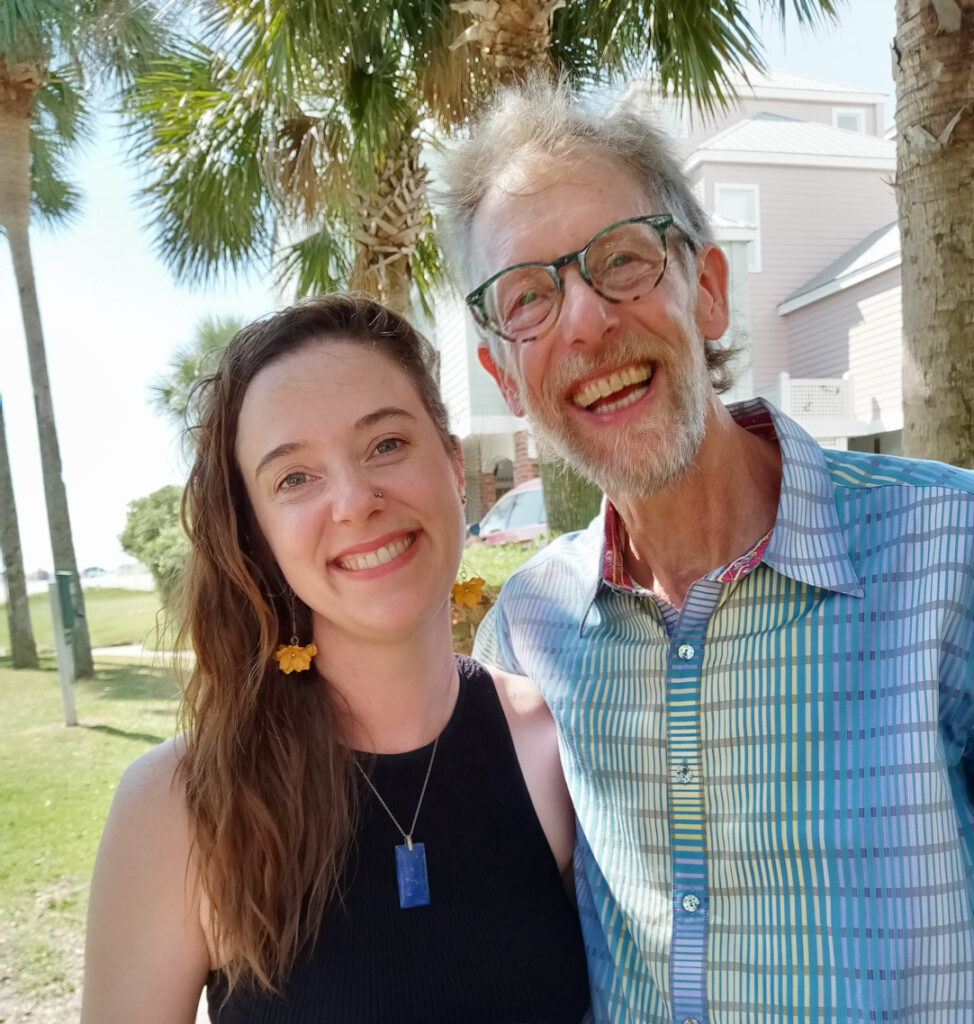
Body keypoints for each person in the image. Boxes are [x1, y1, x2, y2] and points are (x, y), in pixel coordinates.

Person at [437, 76, 974, 1023]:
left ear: (710, 290)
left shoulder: (949, 550)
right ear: (506, 379)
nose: (587, 322)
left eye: (623, 261)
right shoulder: (527, 634)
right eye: (527, 297)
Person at [81, 295, 592, 1023]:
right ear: (256, 535)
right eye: (294, 478)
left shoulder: (558, 745)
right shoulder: (178, 809)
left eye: (386, 444)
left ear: (452, 464)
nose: (355, 502)